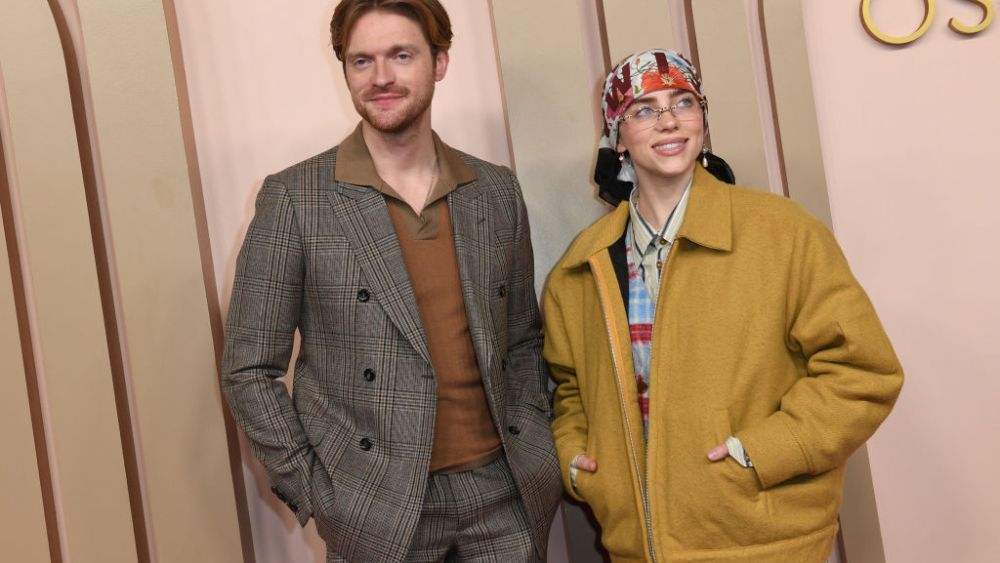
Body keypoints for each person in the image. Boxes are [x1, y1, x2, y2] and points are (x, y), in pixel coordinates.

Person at [221, 1, 561, 560]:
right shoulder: (296, 198)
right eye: (362, 61)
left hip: (505, 499)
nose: (381, 77)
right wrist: (317, 492)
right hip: (376, 510)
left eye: (401, 56)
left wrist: (536, 449)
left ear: (440, 61)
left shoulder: (496, 191)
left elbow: (522, 339)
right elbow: (249, 368)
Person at [543, 49, 903, 562]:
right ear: (617, 138)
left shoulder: (783, 233)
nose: (668, 121)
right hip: (636, 548)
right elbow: (571, 392)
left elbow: (863, 373)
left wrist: (759, 454)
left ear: (703, 122)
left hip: (766, 543)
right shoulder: (582, 266)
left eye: (683, 102)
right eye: (644, 109)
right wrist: (578, 463)